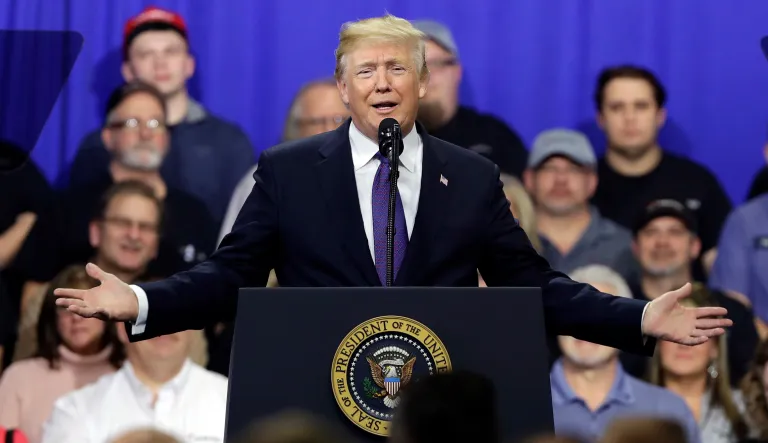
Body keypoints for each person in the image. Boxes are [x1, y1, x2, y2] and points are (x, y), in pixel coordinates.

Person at [54, 14, 730, 356]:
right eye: (367, 70)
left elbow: (532, 284)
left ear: (423, 84)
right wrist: (140, 298)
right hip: (315, 391)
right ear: (342, 87)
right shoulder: (289, 170)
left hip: (435, 402)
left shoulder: (469, 175)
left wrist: (637, 316)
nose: (383, 83)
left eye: (399, 69)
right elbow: (229, 275)